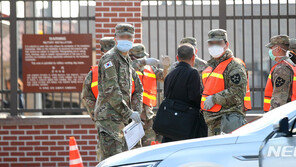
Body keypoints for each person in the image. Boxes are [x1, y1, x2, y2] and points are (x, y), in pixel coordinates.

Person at [94, 23, 143, 161]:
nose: (125, 39)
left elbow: (139, 89)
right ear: (115, 38)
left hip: (125, 120)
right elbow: (112, 91)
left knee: (128, 160)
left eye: (129, 37)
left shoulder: (127, 60)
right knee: (113, 161)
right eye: (122, 36)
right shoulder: (109, 59)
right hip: (110, 120)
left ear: (133, 39)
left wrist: (136, 111)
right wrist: (129, 113)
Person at [201, 29, 249, 136]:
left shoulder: (234, 65)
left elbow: (238, 92)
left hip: (228, 120)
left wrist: (214, 99)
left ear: (226, 45)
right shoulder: (210, 66)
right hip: (213, 122)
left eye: (218, 43)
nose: (214, 46)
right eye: (211, 43)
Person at [162, 43, 206, 142]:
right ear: (193, 57)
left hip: (170, 121)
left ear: (177, 58)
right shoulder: (193, 73)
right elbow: (194, 97)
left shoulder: (170, 74)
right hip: (187, 122)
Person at [129, 43, 170, 146]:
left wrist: (165, 68)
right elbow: (130, 67)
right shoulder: (127, 67)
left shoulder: (150, 69)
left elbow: (164, 78)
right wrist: (143, 62)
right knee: (133, 148)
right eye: (140, 58)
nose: (144, 60)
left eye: (144, 57)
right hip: (132, 115)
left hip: (148, 115)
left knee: (148, 147)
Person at [82, 37, 116, 122]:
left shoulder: (124, 70)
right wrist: (96, 115)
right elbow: (87, 96)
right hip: (105, 120)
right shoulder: (93, 74)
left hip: (123, 119)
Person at [263, 35, 296, 112]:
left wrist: (272, 118)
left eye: (271, 48)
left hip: (283, 115)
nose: (270, 51)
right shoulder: (291, 65)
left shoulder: (282, 68)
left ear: (277, 48)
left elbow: (279, 99)